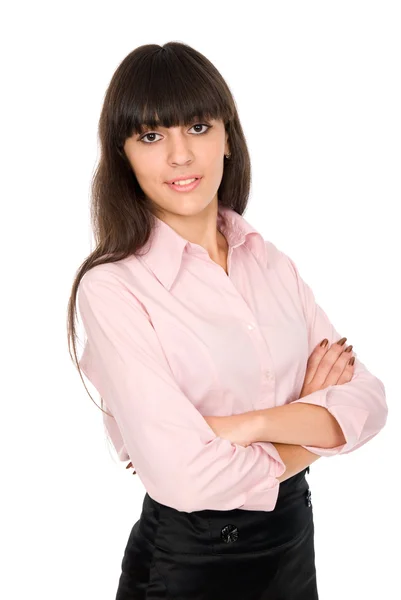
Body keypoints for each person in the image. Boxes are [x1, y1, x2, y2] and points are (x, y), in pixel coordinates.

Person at [67, 41, 388, 599]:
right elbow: (184, 474)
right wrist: (309, 425)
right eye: (150, 136)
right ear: (123, 156)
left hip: (292, 549)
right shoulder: (113, 288)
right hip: (190, 564)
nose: (179, 156)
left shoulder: (269, 261)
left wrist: (250, 425)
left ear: (227, 139)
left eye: (197, 127)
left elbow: (370, 401)